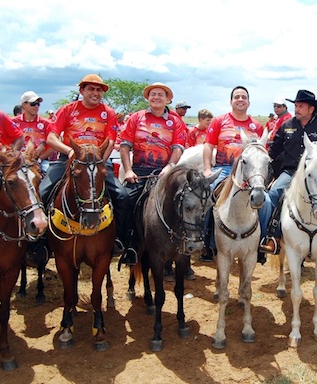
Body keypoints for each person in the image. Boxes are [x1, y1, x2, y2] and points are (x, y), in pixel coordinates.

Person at [34, 74, 133, 265]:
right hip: (68, 160)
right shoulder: (68, 110)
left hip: (97, 162)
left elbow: (111, 141)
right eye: (91, 89)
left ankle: (119, 241)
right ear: (82, 91)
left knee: (122, 196)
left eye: (99, 90)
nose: (95, 93)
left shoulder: (109, 113)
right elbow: (52, 138)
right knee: (42, 192)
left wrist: (98, 163)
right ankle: (40, 243)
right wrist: (71, 151)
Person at [259, 89, 317, 258]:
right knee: (274, 193)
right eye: (295, 105)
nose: (296, 109)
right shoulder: (287, 126)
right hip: (291, 172)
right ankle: (272, 237)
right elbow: (273, 152)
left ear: (311, 109)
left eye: (300, 106)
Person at [120, 82, 191, 277]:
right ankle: (127, 245)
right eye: (153, 94)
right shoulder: (136, 118)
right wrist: (128, 170)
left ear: (168, 99)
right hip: (139, 171)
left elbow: (178, 147)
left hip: (165, 172)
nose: (156, 97)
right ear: (147, 98)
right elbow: (125, 146)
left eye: (161, 94)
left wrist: (169, 167)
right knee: (124, 200)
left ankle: (186, 247)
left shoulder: (176, 121)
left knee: (186, 203)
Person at [202, 86, 272, 263]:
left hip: (248, 173)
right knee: (205, 196)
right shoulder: (219, 121)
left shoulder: (256, 125)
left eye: (244, 97)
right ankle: (205, 242)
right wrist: (207, 169)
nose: (240, 99)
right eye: (236, 97)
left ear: (248, 102)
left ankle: (260, 243)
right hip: (224, 169)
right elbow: (208, 146)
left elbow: (261, 154)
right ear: (231, 101)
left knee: (268, 202)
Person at [12, 91, 57, 173]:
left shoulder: (46, 124)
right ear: (24, 105)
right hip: (16, 160)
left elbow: (53, 147)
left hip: (40, 161)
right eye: (33, 104)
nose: (36, 106)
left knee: (49, 175)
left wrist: (39, 159)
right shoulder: (13, 122)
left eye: (38, 104)